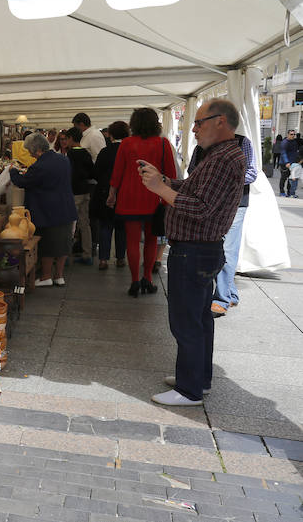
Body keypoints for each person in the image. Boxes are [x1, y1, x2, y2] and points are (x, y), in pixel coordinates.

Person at [137, 99, 246, 406]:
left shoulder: (224, 159)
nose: (195, 129)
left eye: (199, 123)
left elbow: (202, 208)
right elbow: (194, 191)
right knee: (199, 319)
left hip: (195, 251)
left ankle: (189, 389)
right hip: (201, 250)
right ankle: (198, 378)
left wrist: (161, 189)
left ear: (220, 121)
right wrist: (166, 182)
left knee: (186, 322)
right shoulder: (221, 155)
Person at [108, 108, 177, 297]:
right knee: (151, 240)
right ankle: (147, 278)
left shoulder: (127, 143)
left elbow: (118, 172)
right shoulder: (163, 144)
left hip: (129, 197)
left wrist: (112, 194)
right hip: (154, 197)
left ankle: (134, 282)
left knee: (132, 240)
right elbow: (171, 174)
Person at [188, 131, 256, 316]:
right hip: (208, 203)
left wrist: (223, 180)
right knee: (218, 247)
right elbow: (192, 171)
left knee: (227, 249)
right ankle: (230, 294)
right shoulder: (202, 144)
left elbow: (252, 172)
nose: (196, 128)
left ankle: (221, 299)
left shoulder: (242, 143)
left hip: (235, 204)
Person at [9, 133, 78, 287]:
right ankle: (59, 276)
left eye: (30, 151)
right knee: (63, 244)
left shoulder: (40, 166)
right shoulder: (63, 159)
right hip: (66, 207)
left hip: (48, 211)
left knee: (47, 243)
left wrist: (13, 171)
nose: (30, 154)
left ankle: (46, 276)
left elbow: (23, 181)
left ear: (38, 149)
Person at [91, 120, 129, 270]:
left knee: (105, 226)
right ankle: (120, 258)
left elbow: (96, 172)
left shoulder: (105, 152)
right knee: (121, 228)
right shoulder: (129, 151)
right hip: (125, 194)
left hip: (105, 193)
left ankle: (103, 260)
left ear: (110, 135)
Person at [62, 127, 94, 265]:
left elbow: (68, 174)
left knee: (69, 225)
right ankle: (87, 254)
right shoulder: (86, 153)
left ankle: (66, 256)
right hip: (85, 191)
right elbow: (92, 172)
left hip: (73, 193)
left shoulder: (71, 155)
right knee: (85, 224)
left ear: (70, 138)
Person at [279, 130, 299, 196]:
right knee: (283, 178)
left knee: (291, 178)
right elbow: (283, 153)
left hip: (293, 163)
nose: (293, 135)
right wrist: (286, 162)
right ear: (288, 134)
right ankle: (282, 191)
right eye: (291, 134)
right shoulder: (284, 143)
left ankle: (289, 192)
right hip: (285, 164)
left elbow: (295, 152)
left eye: (294, 134)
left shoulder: (294, 142)